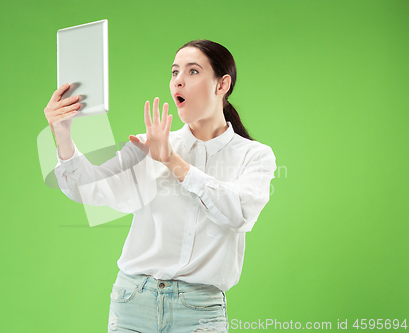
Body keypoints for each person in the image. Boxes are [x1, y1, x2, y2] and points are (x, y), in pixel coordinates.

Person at [44, 39, 277, 333]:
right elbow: (89, 188)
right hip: (132, 301)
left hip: (199, 310)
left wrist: (173, 162)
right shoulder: (147, 145)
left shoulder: (254, 156)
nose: (178, 80)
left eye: (192, 72)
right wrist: (63, 135)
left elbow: (240, 213)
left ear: (222, 85)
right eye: (174, 72)